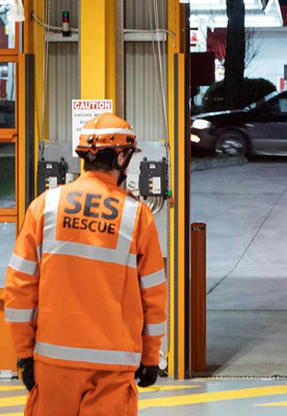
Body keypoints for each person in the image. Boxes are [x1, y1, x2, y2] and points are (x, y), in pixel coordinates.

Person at [3, 113, 167, 415]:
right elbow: (154, 296)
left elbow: (19, 287)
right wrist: (150, 356)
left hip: (53, 363)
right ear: (121, 156)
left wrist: (24, 353)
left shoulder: (44, 206)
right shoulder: (137, 216)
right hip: (112, 368)